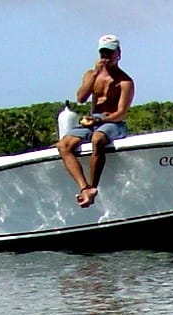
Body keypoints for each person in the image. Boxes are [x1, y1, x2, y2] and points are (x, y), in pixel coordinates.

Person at [57, 34, 134, 208]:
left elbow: (121, 113)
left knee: (97, 139)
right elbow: (81, 98)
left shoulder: (125, 82)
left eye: (110, 54)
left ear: (118, 54)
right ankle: (84, 188)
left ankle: (94, 186)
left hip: (113, 122)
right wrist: (94, 75)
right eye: (103, 54)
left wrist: (100, 121)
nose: (106, 58)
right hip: (93, 119)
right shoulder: (91, 75)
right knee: (63, 145)